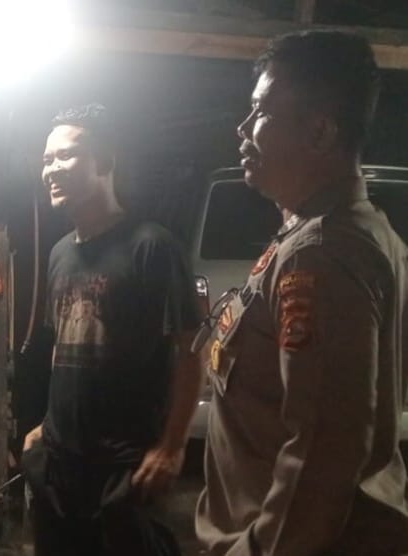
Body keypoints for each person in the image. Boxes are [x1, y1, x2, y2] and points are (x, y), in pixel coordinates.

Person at [196, 30, 408, 556]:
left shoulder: (322, 251)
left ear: (319, 132)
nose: (243, 128)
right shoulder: (334, 230)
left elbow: (322, 455)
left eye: (262, 111)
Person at [21, 103, 203, 556]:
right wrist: (45, 425)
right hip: (59, 466)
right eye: (46, 159)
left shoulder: (152, 247)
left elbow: (192, 348)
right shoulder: (60, 253)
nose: (51, 169)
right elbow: (63, 344)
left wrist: (172, 446)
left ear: (104, 160)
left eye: (66, 156)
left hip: (124, 468)